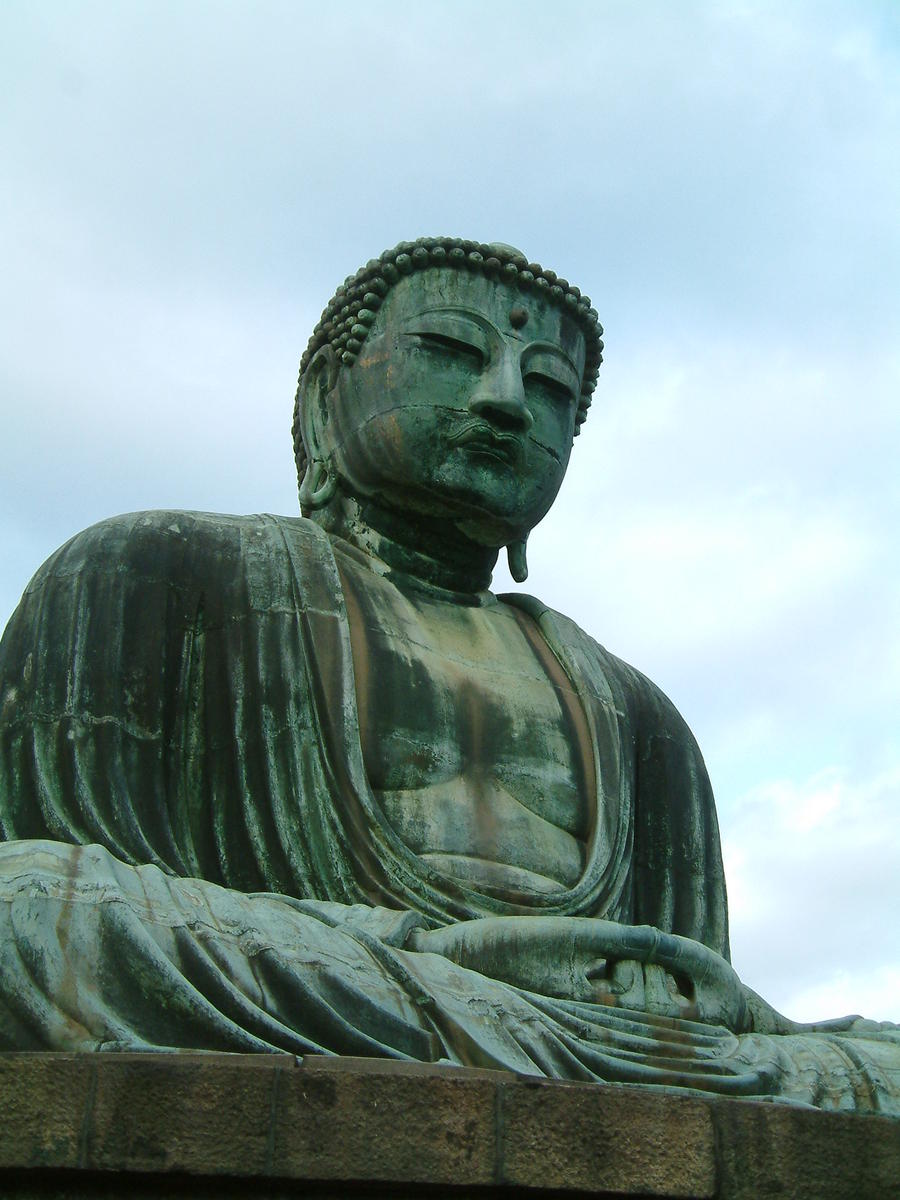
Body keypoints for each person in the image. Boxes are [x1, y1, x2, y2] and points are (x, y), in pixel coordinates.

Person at [0, 238, 897, 1112]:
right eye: (450, 351)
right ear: (322, 401)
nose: (506, 401)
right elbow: (79, 876)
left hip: (583, 1032)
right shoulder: (150, 573)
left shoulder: (638, 714)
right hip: (338, 981)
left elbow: (691, 991)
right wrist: (432, 958)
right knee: (29, 908)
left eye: (550, 387)